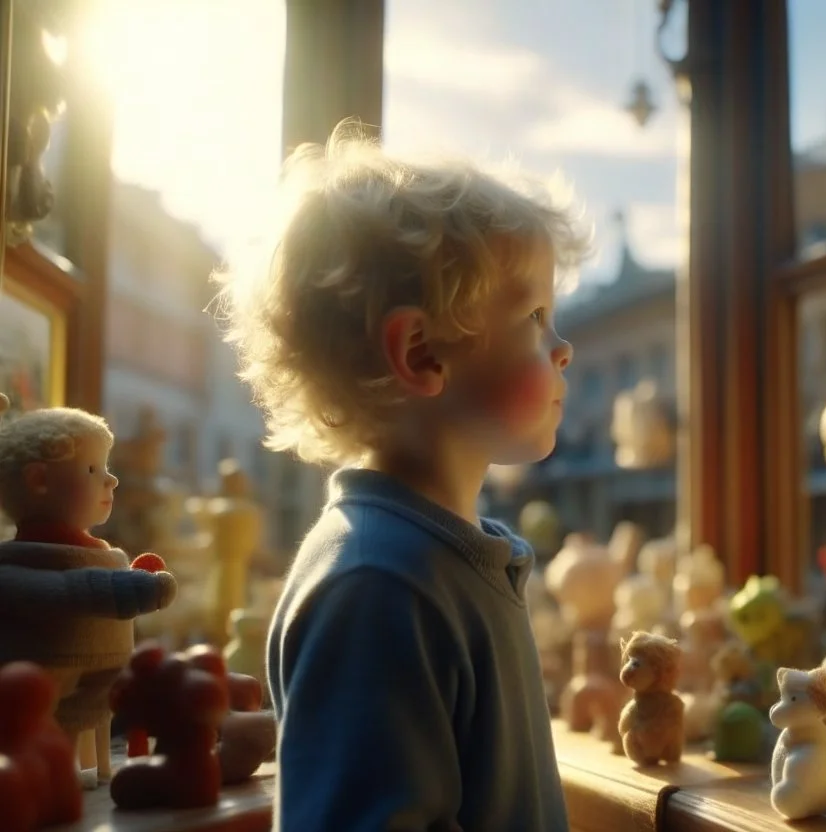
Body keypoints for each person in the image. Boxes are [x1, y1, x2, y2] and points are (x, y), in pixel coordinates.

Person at [214, 119, 589, 831]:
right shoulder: (379, 585)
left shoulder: (437, 558)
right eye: (535, 316)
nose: (563, 347)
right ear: (420, 353)